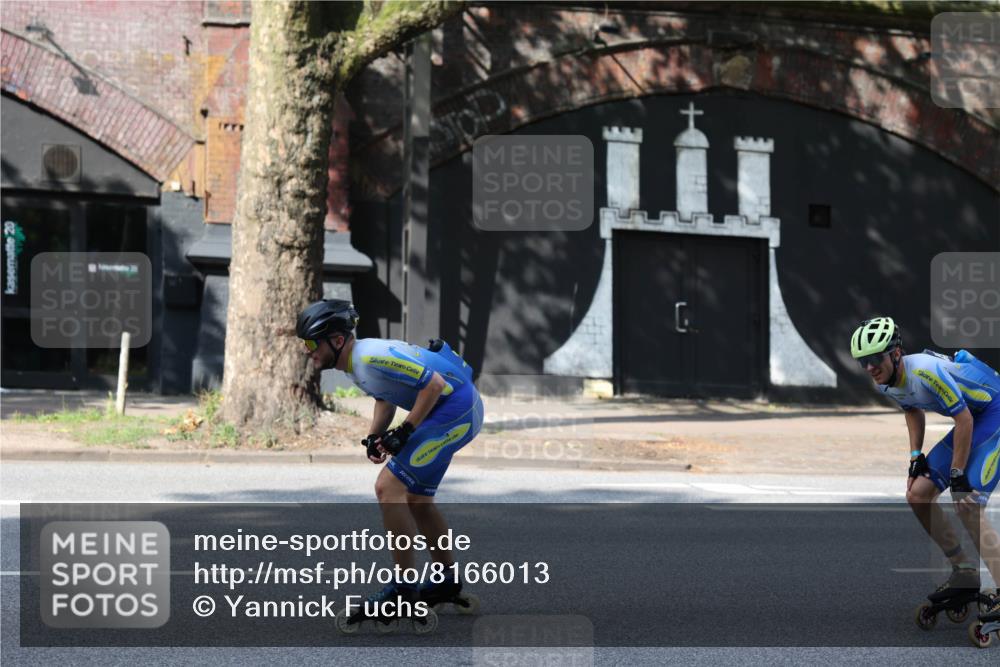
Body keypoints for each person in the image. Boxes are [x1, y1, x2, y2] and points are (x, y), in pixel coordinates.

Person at [296, 299, 484, 630]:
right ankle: (446, 580)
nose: (308, 352)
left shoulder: (368, 356)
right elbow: (385, 398)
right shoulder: (354, 363)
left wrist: (405, 431)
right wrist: (374, 436)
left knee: (387, 487)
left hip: (456, 410)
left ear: (337, 340)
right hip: (452, 410)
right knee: (418, 500)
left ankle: (403, 589)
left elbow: (434, 385)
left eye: (312, 344)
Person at [850, 316, 1000, 619]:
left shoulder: (925, 372)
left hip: (994, 413)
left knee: (967, 503)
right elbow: (912, 410)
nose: (869, 368)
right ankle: (964, 572)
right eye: (863, 361)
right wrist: (915, 455)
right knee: (918, 494)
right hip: (973, 418)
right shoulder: (887, 381)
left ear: (895, 354)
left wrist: (957, 474)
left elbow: (963, 420)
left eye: (874, 359)